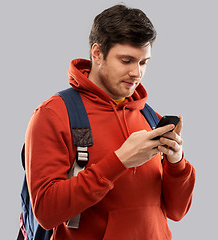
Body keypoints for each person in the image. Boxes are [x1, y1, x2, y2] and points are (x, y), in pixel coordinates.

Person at [25, 4, 196, 240]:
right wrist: (119, 161)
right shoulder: (53, 114)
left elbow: (177, 212)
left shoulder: (149, 116)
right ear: (97, 54)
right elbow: (46, 212)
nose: (137, 73)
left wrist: (176, 163)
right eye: (126, 60)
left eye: (143, 62)